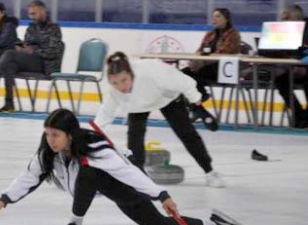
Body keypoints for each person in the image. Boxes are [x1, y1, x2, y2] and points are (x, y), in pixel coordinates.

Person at [0, 109, 250, 225]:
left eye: (55, 135)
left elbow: (128, 172)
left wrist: (162, 194)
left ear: (70, 134)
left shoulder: (95, 149)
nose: (50, 140)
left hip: (123, 185)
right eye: (47, 134)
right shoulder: (48, 153)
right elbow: (27, 177)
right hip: (100, 187)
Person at [94, 52, 226, 188]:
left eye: (124, 80)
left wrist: (196, 101)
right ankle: (138, 177)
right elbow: (105, 113)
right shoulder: (112, 91)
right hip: (138, 106)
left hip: (167, 97)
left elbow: (184, 82)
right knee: (134, 137)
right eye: (115, 83)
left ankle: (210, 172)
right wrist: (93, 134)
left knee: (186, 133)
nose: (121, 87)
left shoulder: (151, 71)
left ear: (131, 74)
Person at [0, 0, 63, 112]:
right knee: (10, 65)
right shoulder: (31, 27)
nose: (32, 17)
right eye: (30, 14)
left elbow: (53, 52)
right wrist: (21, 47)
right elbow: (27, 44)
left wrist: (34, 51)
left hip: (46, 64)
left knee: (9, 53)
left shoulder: (53, 28)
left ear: (43, 11)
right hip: (31, 61)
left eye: (34, 14)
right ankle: (9, 104)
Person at [181, 8, 241, 102]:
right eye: (213, 17)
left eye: (218, 16)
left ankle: (201, 98)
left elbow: (223, 54)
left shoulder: (233, 34)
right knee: (183, 74)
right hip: (207, 66)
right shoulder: (210, 34)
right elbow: (199, 51)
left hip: (223, 69)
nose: (214, 19)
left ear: (226, 19)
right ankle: (199, 105)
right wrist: (194, 60)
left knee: (191, 74)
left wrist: (202, 62)